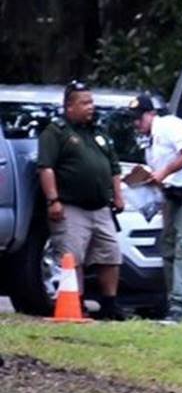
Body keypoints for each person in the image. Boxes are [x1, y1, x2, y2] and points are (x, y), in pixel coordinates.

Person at [36, 81, 127, 320]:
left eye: (91, 102)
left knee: (110, 254)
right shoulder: (56, 132)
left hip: (101, 208)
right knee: (71, 257)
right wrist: (53, 200)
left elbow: (114, 167)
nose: (90, 107)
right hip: (71, 206)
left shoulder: (98, 133)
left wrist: (118, 194)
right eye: (84, 103)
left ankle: (110, 304)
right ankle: (75, 302)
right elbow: (46, 168)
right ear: (69, 107)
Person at [128, 94, 182, 323]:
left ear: (151, 114)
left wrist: (163, 173)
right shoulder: (150, 142)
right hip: (172, 196)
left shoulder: (170, 126)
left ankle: (181, 307)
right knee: (169, 249)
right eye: (133, 120)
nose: (136, 123)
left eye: (140, 118)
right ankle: (179, 304)